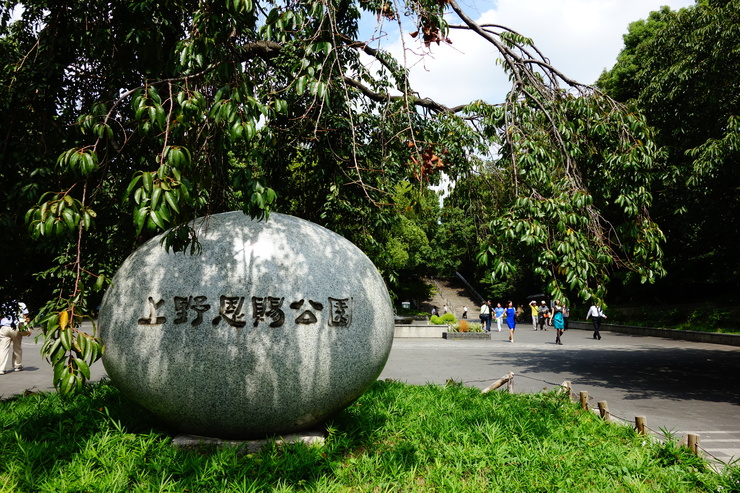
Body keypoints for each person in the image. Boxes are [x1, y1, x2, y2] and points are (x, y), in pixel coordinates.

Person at [0, 298, 30, 375]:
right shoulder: (21, 304)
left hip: (4, 328)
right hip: (16, 328)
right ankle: (17, 366)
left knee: (3, 349)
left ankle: (1, 368)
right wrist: (28, 329)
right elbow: (25, 318)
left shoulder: (4, 304)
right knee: (17, 348)